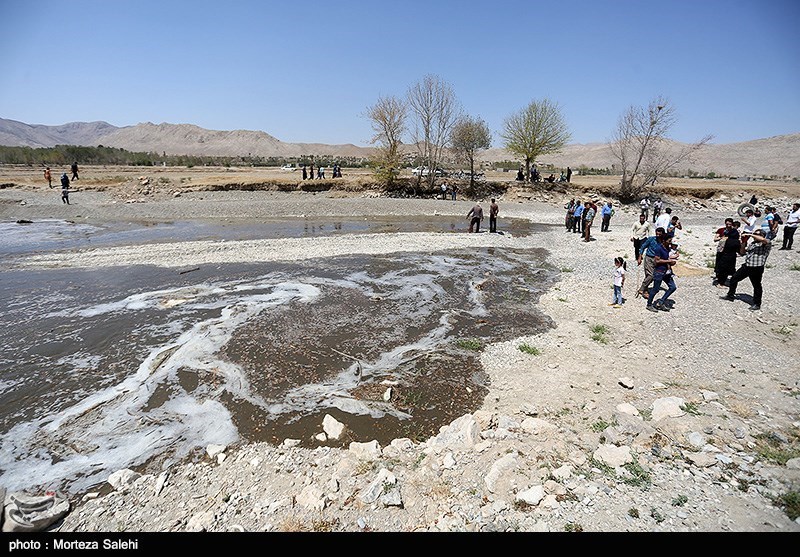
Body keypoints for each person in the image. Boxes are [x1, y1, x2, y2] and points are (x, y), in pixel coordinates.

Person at [721, 229, 772, 310]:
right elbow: (742, 252)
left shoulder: (765, 243)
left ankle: (757, 303)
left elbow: (763, 240)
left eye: (757, 234)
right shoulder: (752, 244)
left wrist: (750, 234)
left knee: (756, 285)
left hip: (756, 268)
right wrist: (743, 243)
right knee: (734, 279)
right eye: (755, 234)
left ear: (762, 235)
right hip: (747, 266)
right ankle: (730, 295)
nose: (755, 235)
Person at [646, 235, 678, 312]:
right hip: (659, 272)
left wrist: (671, 261)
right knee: (655, 289)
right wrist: (669, 261)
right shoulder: (658, 248)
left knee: (672, 287)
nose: (670, 243)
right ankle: (649, 304)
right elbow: (656, 261)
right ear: (664, 241)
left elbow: (667, 258)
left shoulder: (668, 248)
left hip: (666, 272)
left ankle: (661, 302)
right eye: (669, 241)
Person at [637, 227, 665, 298]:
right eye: (657, 233)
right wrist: (640, 257)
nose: (658, 235)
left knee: (653, 275)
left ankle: (644, 290)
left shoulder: (663, 241)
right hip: (649, 258)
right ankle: (642, 288)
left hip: (658, 259)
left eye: (659, 234)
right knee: (650, 275)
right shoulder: (651, 239)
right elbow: (642, 247)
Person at [715, 219, 741, 288]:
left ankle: (723, 282)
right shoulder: (723, 231)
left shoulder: (734, 233)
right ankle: (721, 282)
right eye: (727, 224)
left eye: (729, 224)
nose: (728, 225)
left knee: (727, 268)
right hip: (724, 253)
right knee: (723, 268)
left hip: (730, 254)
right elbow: (716, 239)